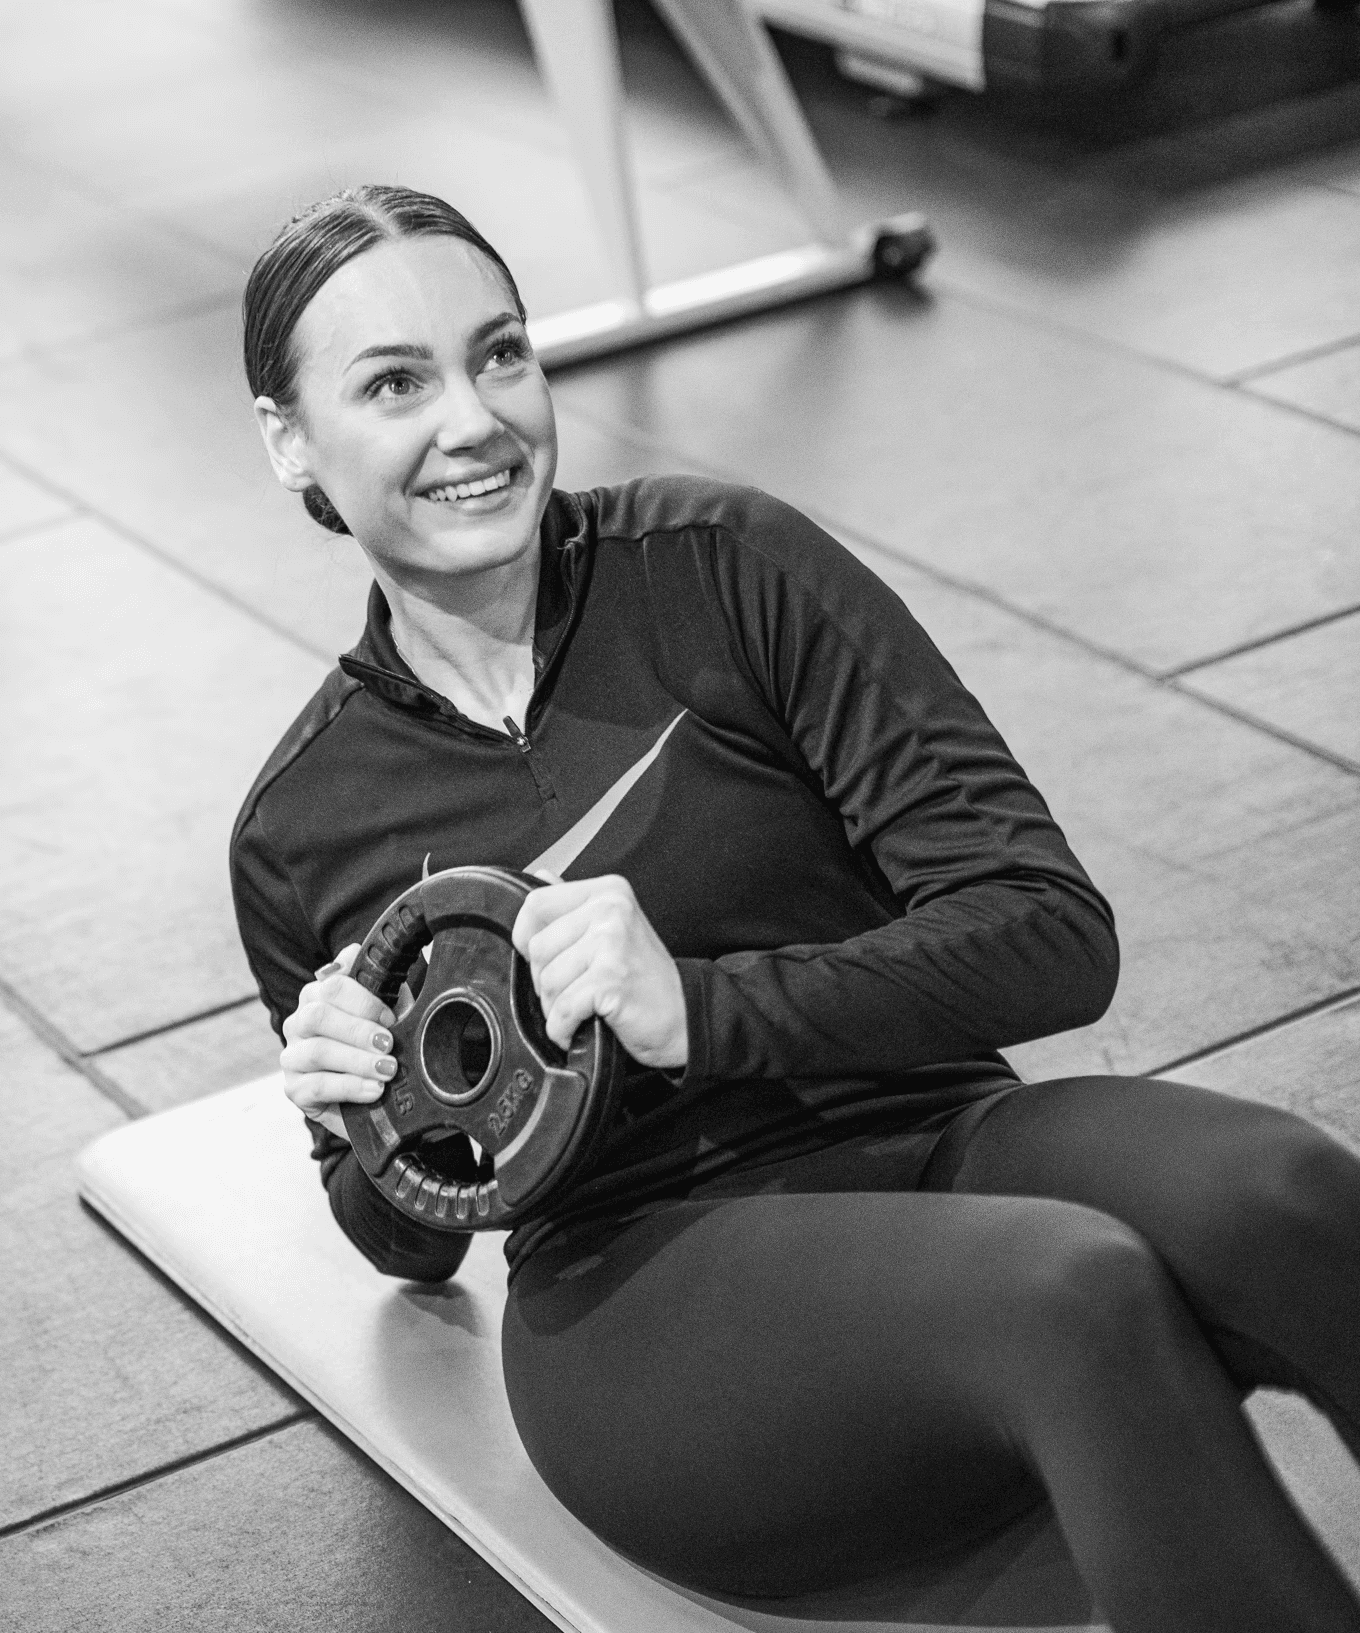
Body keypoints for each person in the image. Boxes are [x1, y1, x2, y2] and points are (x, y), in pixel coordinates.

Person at [231, 184, 1360, 1633]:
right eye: (395, 383)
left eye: (501, 353)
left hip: (940, 1131)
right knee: (1069, 1290)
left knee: (1291, 1191)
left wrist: (698, 1010)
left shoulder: (723, 566)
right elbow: (410, 1243)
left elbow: (1050, 933)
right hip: (644, 1288)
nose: (474, 419)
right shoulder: (300, 824)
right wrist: (355, 1119)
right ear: (290, 441)